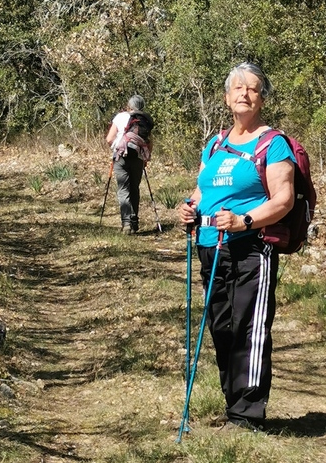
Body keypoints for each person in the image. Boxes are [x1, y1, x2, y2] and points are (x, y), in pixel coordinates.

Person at [177, 62, 295, 431]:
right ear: (227, 97)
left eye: (253, 89)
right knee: (222, 326)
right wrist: (190, 207)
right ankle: (234, 406)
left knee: (250, 327)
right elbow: (203, 189)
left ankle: (248, 412)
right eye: (238, 88)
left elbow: (284, 199)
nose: (245, 94)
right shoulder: (215, 143)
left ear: (262, 99)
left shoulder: (272, 144)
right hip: (210, 245)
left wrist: (245, 221)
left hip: (249, 247)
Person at [106, 94, 154, 234]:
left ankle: (126, 223)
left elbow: (109, 138)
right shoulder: (145, 120)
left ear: (129, 106)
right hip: (138, 157)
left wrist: (116, 147)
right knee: (134, 188)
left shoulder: (120, 117)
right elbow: (149, 141)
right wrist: (145, 159)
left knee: (123, 189)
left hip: (121, 156)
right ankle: (134, 222)